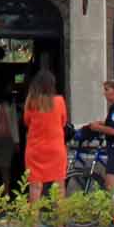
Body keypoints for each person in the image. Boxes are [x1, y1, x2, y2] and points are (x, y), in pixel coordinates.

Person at [21, 69, 69, 209]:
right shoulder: (59, 101)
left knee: (35, 187)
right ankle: (60, 224)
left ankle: (34, 226)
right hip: (56, 148)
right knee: (59, 187)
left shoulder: (31, 102)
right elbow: (63, 122)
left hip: (35, 149)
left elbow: (27, 121)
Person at [81, 78, 114, 191]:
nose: (104, 93)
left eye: (107, 89)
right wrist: (102, 123)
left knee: (111, 188)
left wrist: (97, 127)